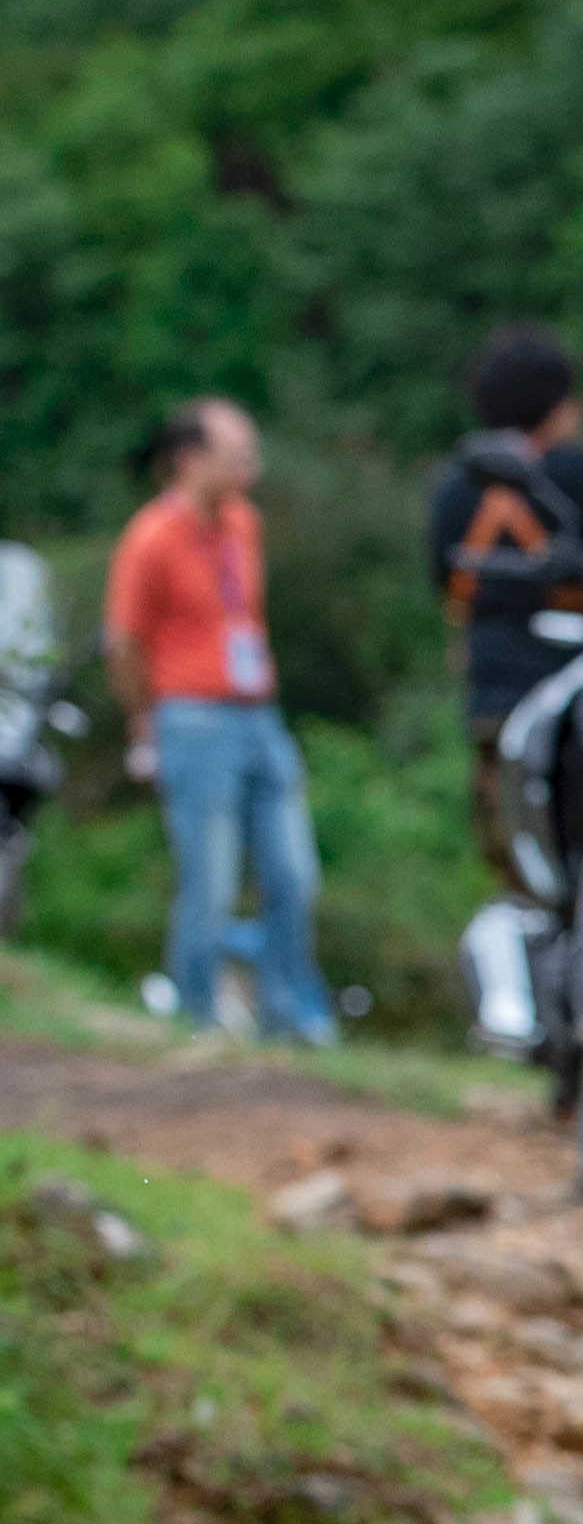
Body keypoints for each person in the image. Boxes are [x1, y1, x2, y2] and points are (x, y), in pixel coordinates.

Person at [102, 400, 336, 1045]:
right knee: (210, 876)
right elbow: (122, 640)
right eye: (235, 453)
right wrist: (143, 726)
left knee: (292, 872)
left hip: (258, 711)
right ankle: (197, 1016)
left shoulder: (241, 523)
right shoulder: (152, 536)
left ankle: (286, 1016)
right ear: (189, 459)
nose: (248, 466)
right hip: (192, 718)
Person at [429, 327, 583, 879]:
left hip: (495, 690)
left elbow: (446, 582)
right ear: (560, 404)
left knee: (515, 844)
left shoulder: (455, 486)